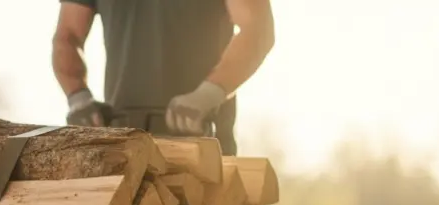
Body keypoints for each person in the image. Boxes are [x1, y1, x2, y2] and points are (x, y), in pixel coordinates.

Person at [52, 0, 275, 154]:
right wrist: (78, 98)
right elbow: (68, 36)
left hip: (202, 150)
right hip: (122, 147)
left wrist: (207, 95)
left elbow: (257, 30)